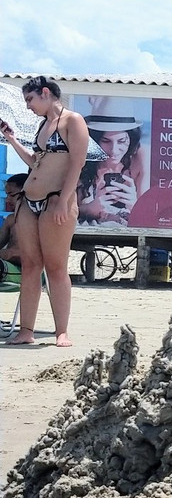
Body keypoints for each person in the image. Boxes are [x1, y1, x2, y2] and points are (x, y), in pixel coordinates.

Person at [0, 77, 89, 346]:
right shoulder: (43, 125)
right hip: (29, 199)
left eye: (30, 99)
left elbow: (77, 162)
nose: (28, 106)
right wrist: (11, 138)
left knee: (56, 267)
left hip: (55, 200)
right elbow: (35, 162)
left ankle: (61, 331)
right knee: (30, 266)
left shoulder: (72, 120)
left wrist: (65, 199)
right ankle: (26, 330)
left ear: (46, 93)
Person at [77, 97, 148, 226]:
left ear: (131, 139)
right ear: (95, 140)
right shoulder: (83, 157)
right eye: (106, 141)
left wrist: (134, 205)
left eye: (121, 141)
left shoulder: (140, 157)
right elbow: (64, 210)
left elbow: (149, 214)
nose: (114, 150)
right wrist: (89, 209)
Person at [0, 172, 28, 266]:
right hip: (8, 267)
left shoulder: (41, 220)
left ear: (27, 193)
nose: (7, 200)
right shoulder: (11, 219)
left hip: (29, 271)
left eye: (11, 195)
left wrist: (10, 253)